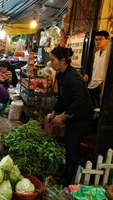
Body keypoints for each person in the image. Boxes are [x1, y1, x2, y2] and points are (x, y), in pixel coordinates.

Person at [46, 47, 93, 186]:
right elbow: (62, 98)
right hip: (73, 115)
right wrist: (55, 111)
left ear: (62, 60)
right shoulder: (61, 75)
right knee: (67, 145)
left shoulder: (73, 77)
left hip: (81, 117)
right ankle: (65, 174)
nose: (51, 63)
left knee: (72, 146)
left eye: (53, 60)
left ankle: (67, 182)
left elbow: (79, 101)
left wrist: (64, 116)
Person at [84, 30, 110, 108]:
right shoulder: (96, 53)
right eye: (96, 39)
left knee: (100, 107)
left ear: (107, 40)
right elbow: (94, 68)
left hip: (102, 85)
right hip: (92, 84)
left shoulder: (109, 54)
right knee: (90, 106)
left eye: (100, 39)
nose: (97, 41)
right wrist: (87, 74)